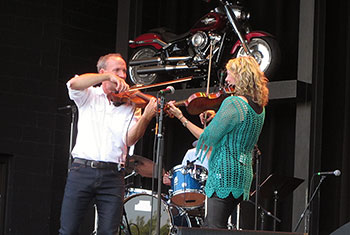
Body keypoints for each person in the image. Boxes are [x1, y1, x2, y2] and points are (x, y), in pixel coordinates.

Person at [59, 53, 158, 235]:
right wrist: (106, 77)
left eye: (124, 71)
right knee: (68, 230)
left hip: (113, 175)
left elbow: (129, 139)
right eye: (117, 70)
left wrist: (145, 117)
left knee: (109, 232)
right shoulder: (90, 95)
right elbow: (73, 84)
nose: (122, 75)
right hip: (82, 171)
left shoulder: (130, 104)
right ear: (103, 72)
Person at [167, 56, 269, 229]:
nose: (227, 80)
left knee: (212, 228)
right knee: (219, 227)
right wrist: (217, 118)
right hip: (243, 175)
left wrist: (181, 118)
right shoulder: (259, 108)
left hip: (224, 174)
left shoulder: (234, 103)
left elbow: (206, 137)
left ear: (241, 75)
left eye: (229, 75)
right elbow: (237, 131)